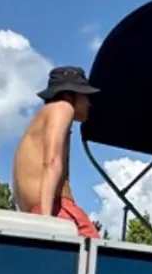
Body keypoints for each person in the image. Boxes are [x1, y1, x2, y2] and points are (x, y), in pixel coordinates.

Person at [11, 66, 100, 238]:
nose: (89, 102)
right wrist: (46, 220)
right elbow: (51, 162)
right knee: (95, 253)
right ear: (69, 96)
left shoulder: (38, 121)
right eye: (85, 96)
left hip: (33, 210)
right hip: (55, 208)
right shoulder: (63, 108)